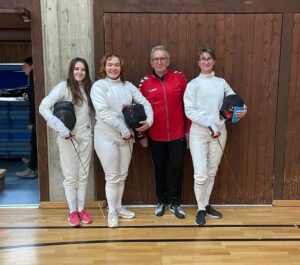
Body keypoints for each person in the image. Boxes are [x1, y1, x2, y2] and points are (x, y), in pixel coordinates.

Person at [183, 48, 247, 226]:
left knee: (211, 171)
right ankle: (200, 209)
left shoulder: (221, 83)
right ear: (198, 62)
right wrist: (209, 125)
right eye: (202, 59)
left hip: (219, 133)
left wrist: (242, 111)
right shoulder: (193, 85)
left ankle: (205, 204)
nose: (206, 61)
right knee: (200, 173)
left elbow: (237, 101)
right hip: (199, 133)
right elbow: (189, 111)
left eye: (209, 58)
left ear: (214, 61)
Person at [91, 53, 153, 228]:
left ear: (121, 67)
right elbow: (104, 112)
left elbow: (145, 103)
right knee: (112, 177)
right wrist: (125, 130)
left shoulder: (128, 86)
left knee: (122, 175)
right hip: (106, 137)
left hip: (126, 138)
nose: (113, 68)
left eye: (116, 65)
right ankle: (111, 212)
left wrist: (149, 121)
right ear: (104, 67)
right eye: (109, 64)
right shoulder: (99, 86)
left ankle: (118, 207)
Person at [39, 57, 94, 227]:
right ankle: (72, 212)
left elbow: (91, 114)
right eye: (76, 69)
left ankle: (81, 209)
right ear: (71, 70)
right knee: (71, 177)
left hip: (85, 136)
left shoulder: (89, 88)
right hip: (67, 137)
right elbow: (43, 107)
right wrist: (61, 128)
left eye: (83, 69)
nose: (80, 72)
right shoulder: (63, 87)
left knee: (83, 175)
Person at [139, 45, 191, 219]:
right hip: (155, 136)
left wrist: (188, 129)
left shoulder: (179, 78)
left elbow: (188, 106)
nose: (159, 62)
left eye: (162, 58)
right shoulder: (145, 83)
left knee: (177, 169)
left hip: (177, 135)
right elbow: (140, 111)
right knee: (159, 170)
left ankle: (175, 203)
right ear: (151, 62)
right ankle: (162, 200)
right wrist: (143, 136)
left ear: (168, 61)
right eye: (156, 59)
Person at [15, 57, 38, 178]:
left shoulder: (33, 74)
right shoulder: (33, 76)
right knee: (33, 142)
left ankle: (31, 169)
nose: (23, 69)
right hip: (38, 117)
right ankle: (31, 165)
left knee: (35, 143)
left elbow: (34, 102)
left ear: (32, 65)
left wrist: (31, 121)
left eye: (25, 66)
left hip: (37, 118)